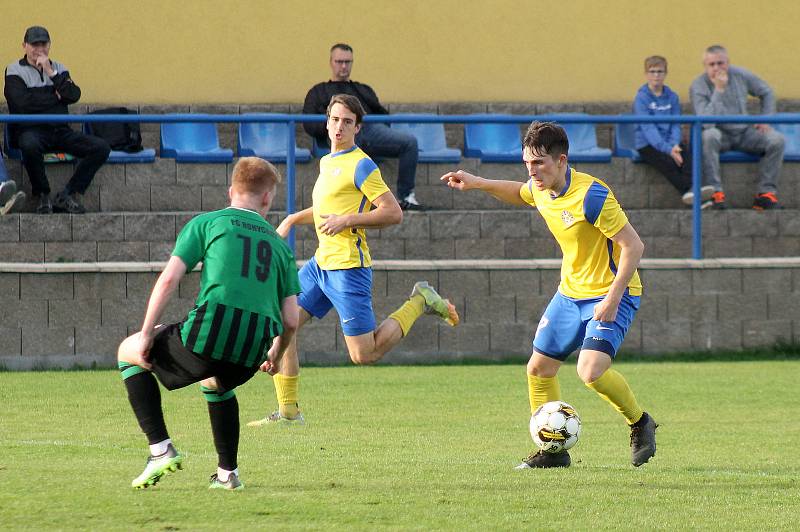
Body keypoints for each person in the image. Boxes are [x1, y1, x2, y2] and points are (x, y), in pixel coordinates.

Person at [441, 121, 657, 469]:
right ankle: (553, 452)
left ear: (562, 160)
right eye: (528, 163)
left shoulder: (593, 196)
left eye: (539, 163)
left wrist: (613, 298)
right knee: (539, 369)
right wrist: (478, 183)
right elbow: (520, 192)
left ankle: (640, 422)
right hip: (570, 294)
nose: (532, 171)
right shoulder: (541, 187)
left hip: (612, 292)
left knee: (591, 371)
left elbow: (633, 245)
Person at [248, 94, 458, 427]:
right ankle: (288, 412)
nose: (339, 127)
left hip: (348, 267)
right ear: (327, 123)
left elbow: (393, 212)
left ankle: (420, 301)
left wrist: (346, 221)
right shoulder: (327, 162)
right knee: (283, 326)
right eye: (335, 119)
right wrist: (290, 219)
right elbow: (325, 209)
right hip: (320, 266)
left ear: (357, 127)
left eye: (348, 121)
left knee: (364, 354)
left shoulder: (362, 164)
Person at [117, 157, 300, 490]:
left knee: (127, 351)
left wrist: (146, 334)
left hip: (209, 335)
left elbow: (169, 280)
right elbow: (291, 319)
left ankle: (160, 450)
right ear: (267, 198)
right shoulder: (280, 247)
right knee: (216, 383)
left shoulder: (209, 223)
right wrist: (275, 354)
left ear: (231, 191)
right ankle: (228, 474)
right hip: (252, 351)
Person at [302, 43, 424, 211]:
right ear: (331, 62)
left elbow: (383, 115)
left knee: (410, 142)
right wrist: (337, 125)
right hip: (340, 137)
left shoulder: (363, 90)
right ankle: (368, 203)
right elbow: (309, 124)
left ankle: (406, 197)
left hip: (370, 131)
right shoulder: (318, 91)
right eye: (339, 61)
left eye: (348, 62)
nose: (344, 66)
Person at [4, 26, 110, 214]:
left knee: (101, 147)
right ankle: (43, 195)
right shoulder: (14, 70)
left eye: (43, 44)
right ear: (24, 46)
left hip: (60, 131)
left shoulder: (58, 68)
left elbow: (73, 94)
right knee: (28, 144)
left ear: (49, 45)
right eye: (34, 44)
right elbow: (20, 104)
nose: (39, 49)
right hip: (31, 131)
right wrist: (55, 97)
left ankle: (68, 194)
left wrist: (51, 72)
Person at [690, 44, 785, 210]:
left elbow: (767, 92)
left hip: (745, 132)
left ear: (728, 62)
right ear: (705, 66)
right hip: (720, 133)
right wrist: (719, 90)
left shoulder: (740, 74)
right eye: (712, 65)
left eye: (721, 63)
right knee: (708, 136)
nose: (717, 68)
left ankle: (766, 193)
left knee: (777, 140)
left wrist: (765, 119)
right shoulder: (698, 85)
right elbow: (706, 122)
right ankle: (715, 192)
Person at [634, 55, 714, 207]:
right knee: (668, 162)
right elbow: (648, 128)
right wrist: (668, 149)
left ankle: (692, 195)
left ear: (665, 73)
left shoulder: (672, 97)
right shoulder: (641, 98)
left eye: (660, 71)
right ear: (646, 74)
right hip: (647, 144)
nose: (656, 75)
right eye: (652, 72)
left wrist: (674, 146)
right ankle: (693, 193)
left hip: (671, 143)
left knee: (688, 156)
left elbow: (675, 124)